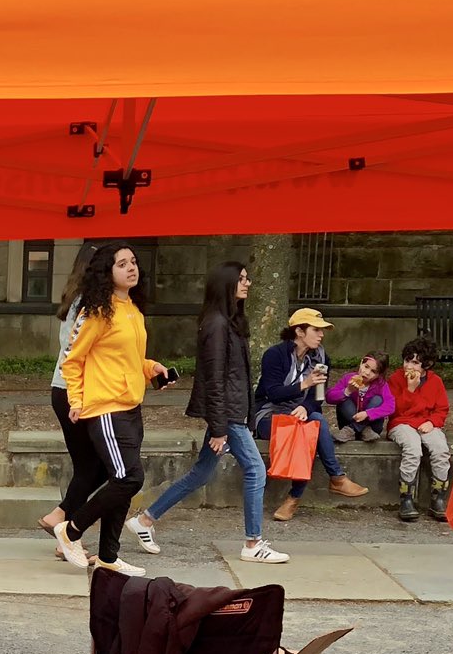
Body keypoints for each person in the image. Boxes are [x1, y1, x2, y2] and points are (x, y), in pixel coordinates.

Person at [126, 263, 288, 564]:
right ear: (226, 283)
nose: (248, 283)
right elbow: (213, 378)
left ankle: (145, 520)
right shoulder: (216, 324)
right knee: (255, 470)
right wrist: (220, 427)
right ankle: (253, 543)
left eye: (248, 278)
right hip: (227, 415)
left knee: (200, 474)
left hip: (230, 413)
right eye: (241, 279)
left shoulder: (229, 321)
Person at [51, 244, 175, 575]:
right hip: (106, 409)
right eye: (122, 264)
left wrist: (150, 369)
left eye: (133, 262)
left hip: (131, 406)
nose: (131, 268)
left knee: (123, 481)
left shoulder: (132, 309)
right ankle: (70, 530)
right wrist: (77, 400)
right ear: (107, 272)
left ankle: (108, 556)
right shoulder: (96, 312)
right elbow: (72, 361)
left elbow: (128, 358)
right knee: (129, 478)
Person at [254, 309, 368, 523]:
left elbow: (318, 396)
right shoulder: (275, 355)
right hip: (269, 413)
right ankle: (321, 485)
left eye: (322, 330)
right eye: (316, 330)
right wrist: (304, 384)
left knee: (315, 422)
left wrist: (306, 407)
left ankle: (331, 481)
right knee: (308, 432)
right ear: (299, 331)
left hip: (300, 413)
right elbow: (273, 393)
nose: (321, 335)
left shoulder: (321, 358)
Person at [39, 251, 92, 540]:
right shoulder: (86, 303)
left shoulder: (76, 298)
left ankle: (66, 534)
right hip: (73, 391)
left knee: (88, 468)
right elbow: (76, 352)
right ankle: (62, 519)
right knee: (95, 467)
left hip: (66, 389)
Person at [386, 337, 451, 523]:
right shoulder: (396, 379)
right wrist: (410, 390)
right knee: (413, 449)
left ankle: (438, 498)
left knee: (440, 449)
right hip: (401, 422)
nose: (409, 366)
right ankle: (406, 498)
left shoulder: (435, 381)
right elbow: (394, 410)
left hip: (426, 423)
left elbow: (442, 409)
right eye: (407, 360)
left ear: (426, 365)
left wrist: (432, 422)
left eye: (415, 362)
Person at [327, 353, 395, 442]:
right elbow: (329, 397)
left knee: (377, 400)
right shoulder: (348, 378)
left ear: (379, 375)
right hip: (347, 426)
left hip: (372, 430)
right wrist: (347, 391)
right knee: (344, 399)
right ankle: (362, 429)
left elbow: (390, 406)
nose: (367, 372)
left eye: (373, 371)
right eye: (366, 367)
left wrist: (368, 414)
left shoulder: (381, 385)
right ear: (361, 363)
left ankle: (355, 428)